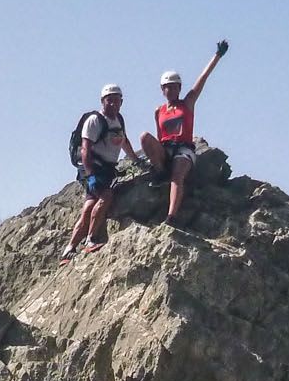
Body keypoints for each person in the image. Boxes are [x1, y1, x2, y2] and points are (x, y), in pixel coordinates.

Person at [140, 40, 227, 224]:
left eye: (174, 87)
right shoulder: (159, 110)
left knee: (177, 176)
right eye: (167, 87)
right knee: (144, 137)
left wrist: (217, 56)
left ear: (179, 88)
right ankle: (160, 171)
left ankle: (171, 216)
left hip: (183, 149)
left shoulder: (187, 103)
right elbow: (159, 135)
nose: (171, 90)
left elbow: (202, 79)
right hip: (166, 148)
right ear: (162, 89)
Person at [62, 85, 133, 259]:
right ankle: (90, 239)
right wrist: (91, 175)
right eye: (109, 100)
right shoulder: (95, 120)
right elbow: (85, 149)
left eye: (117, 100)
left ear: (121, 102)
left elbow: (123, 141)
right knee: (106, 196)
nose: (113, 104)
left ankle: (69, 250)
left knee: (88, 207)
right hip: (92, 166)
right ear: (102, 101)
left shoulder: (118, 120)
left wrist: (136, 159)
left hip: (106, 168)